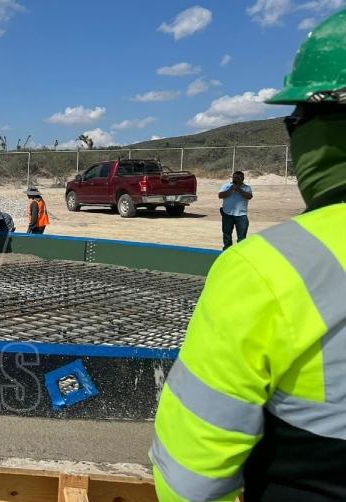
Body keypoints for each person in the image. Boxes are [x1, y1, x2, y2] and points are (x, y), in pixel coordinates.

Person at [151, 10, 346, 501]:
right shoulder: (243, 215)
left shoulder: (268, 271)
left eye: (295, 121)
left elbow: (189, 481)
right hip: (231, 219)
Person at [218, 171, 253, 250]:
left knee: (242, 237)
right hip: (227, 214)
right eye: (235, 177)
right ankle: (227, 251)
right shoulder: (226, 186)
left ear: (243, 178)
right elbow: (220, 195)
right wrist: (230, 190)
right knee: (227, 235)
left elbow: (249, 196)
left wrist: (239, 190)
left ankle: (240, 252)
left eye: (238, 178)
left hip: (241, 215)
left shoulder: (247, 187)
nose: (236, 179)